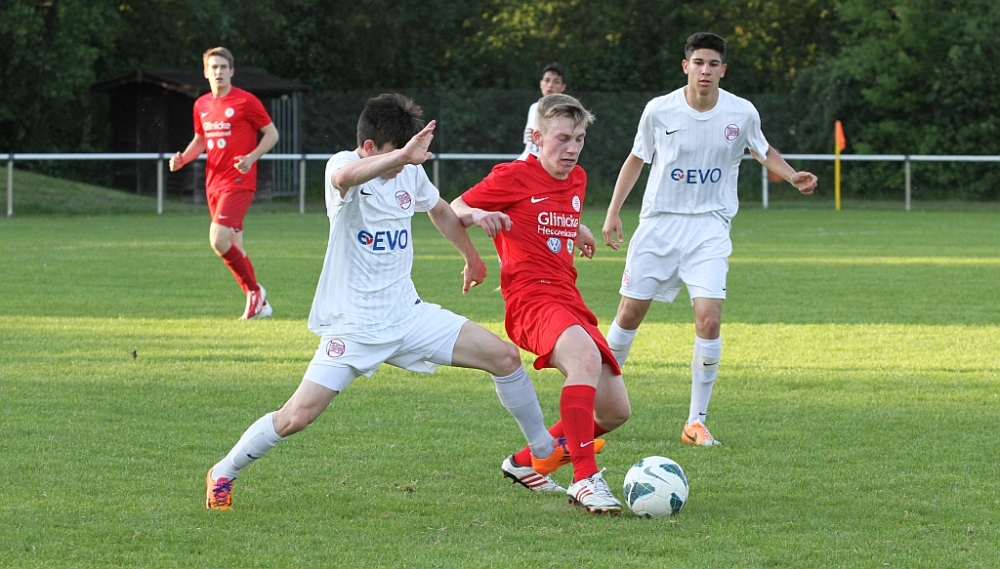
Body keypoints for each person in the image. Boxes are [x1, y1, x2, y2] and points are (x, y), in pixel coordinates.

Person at [205, 93, 557, 510]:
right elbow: (344, 178)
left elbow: (439, 210)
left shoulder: (408, 171)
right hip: (354, 327)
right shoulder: (343, 165)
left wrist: (472, 257)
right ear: (370, 147)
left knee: (505, 358)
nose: (404, 165)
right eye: (398, 156)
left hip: (408, 316)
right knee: (296, 417)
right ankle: (223, 471)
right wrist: (402, 157)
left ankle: (542, 452)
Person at [601, 32, 818, 446]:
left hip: (710, 227)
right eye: (698, 63)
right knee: (628, 315)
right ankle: (595, 399)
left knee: (710, 319)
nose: (705, 70)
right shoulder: (659, 110)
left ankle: (695, 423)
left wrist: (792, 176)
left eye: (713, 64)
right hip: (660, 225)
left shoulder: (741, 112)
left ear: (723, 70)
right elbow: (636, 159)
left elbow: (762, 150)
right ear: (686, 66)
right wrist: (613, 212)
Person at [453, 94, 631, 515]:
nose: (572, 149)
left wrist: (577, 228)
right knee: (584, 360)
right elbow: (456, 207)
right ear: (537, 138)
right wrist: (477, 217)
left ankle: (524, 462)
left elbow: (550, 213)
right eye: (563, 139)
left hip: (568, 296)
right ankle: (584, 479)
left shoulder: (577, 178)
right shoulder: (514, 175)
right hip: (530, 298)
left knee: (614, 411)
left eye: (580, 139)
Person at [169, 47, 279, 320]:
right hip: (213, 182)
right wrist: (183, 158)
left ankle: (254, 291)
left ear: (231, 71)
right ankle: (259, 304)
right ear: (206, 72)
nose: (218, 72)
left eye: (223, 67)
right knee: (234, 245)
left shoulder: (246, 101)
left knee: (217, 239)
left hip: (239, 181)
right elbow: (201, 140)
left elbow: (272, 134)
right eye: (213, 67)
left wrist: (251, 157)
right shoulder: (201, 105)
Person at [517, 63, 567, 161]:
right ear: (541, 83)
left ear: (563, 87)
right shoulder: (534, 107)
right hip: (529, 158)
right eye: (547, 80)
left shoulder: (566, 111)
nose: (550, 85)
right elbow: (529, 140)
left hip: (551, 161)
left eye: (556, 82)